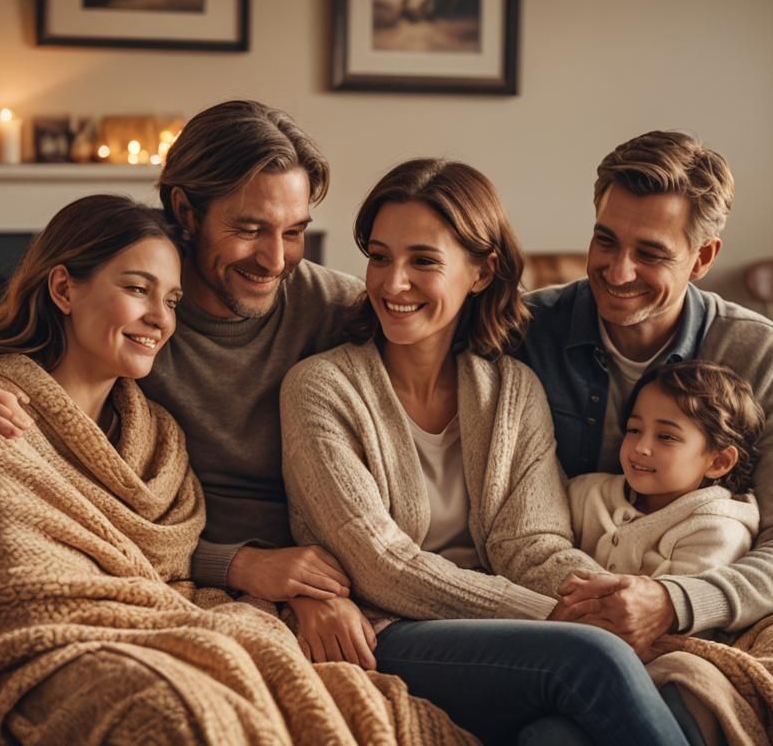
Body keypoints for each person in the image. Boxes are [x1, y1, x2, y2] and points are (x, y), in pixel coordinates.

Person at [0, 194, 471, 744]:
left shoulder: (161, 441)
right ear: (64, 288)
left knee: (359, 703)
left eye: (171, 300)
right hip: (67, 647)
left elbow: (172, 576)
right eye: (136, 289)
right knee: (169, 712)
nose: (158, 318)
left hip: (192, 620)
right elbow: (16, 584)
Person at [0, 100, 367, 612]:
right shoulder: (125, 313)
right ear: (184, 211)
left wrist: (320, 589)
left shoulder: (333, 309)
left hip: (322, 580)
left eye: (294, 232)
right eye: (248, 230)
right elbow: (13, 373)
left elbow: (438, 345)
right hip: (197, 579)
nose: (275, 259)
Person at [280, 158, 692, 746]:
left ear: (480, 272)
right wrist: (555, 619)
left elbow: (531, 545)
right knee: (590, 658)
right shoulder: (320, 388)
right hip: (388, 629)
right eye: (379, 256)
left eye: (423, 260)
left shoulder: (512, 389)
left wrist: (605, 601)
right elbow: (380, 565)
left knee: (556, 739)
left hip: (508, 639)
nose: (392, 283)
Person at [521, 131, 773, 656]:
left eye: (650, 253)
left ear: (703, 257)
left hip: (694, 592)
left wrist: (674, 601)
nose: (618, 271)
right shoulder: (529, 332)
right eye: (605, 241)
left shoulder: (764, 357)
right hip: (558, 604)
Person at [567, 359, 763, 579]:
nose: (641, 447)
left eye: (666, 437)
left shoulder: (718, 532)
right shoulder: (585, 493)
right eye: (634, 430)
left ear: (719, 462)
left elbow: (665, 609)